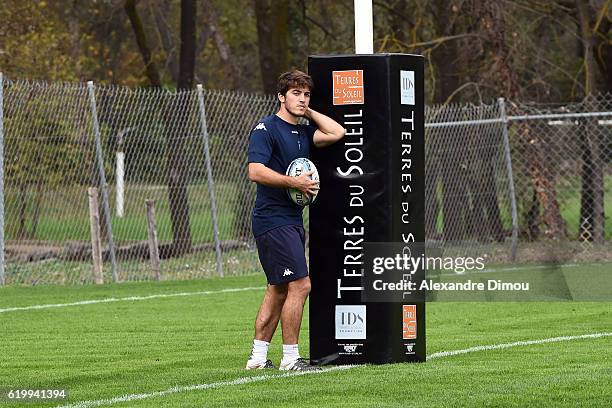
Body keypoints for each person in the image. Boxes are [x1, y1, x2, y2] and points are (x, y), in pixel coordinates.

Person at [245, 70, 345, 371]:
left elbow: (336, 132)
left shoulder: (302, 133)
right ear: (281, 96)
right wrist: (294, 182)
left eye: (306, 94)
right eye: (296, 94)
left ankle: (258, 358)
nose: (302, 99)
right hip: (272, 219)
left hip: (290, 220)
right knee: (301, 285)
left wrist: (307, 112)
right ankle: (290, 358)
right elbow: (255, 171)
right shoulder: (266, 129)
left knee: (277, 288)